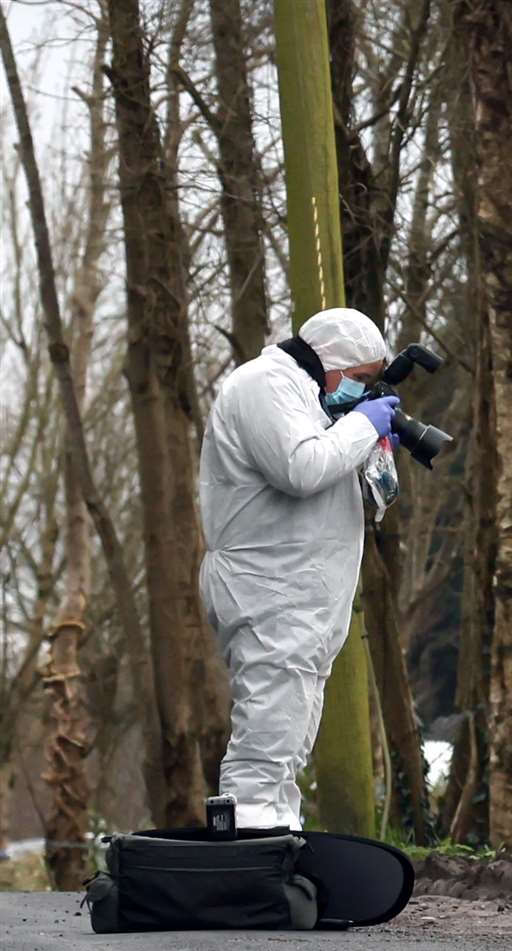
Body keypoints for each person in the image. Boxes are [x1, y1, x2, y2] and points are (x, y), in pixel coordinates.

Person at [197, 308, 399, 829]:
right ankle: (247, 848)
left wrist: (363, 444)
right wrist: (360, 426)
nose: (361, 392)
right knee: (266, 732)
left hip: (297, 596)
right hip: (268, 588)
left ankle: (274, 845)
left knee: (288, 735)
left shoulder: (305, 396)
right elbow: (301, 467)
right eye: (358, 379)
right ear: (330, 362)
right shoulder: (264, 384)